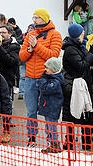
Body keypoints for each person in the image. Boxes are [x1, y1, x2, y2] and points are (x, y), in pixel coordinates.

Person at [19, 9, 62, 147]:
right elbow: (22, 57)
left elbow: (53, 56)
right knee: (31, 111)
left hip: (47, 79)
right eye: (33, 17)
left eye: (37, 17)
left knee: (49, 112)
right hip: (30, 78)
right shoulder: (30, 35)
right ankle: (31, 139)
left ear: (44, 18)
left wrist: (36, 46)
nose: (34, 20)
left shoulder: (55, 35)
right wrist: (30, 49)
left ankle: (53, 141)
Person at [62, 23, 93, 150]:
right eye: (81, 32)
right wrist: (91, 55)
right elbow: (81, 65)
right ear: (76, 35)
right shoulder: (71, 50)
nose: (84, 34)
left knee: (86, 116)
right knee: (74, 115)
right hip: (74, 87)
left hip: (84, 85)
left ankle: (86, 144)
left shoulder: (80, 46)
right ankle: (69, 145)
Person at [0, 24, 20, 144]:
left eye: (4, 32)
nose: (1, 35)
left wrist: (0, 48)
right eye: (0, 32)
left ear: (10, 34)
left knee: (6, 106)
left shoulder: (15, 47)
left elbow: (11, 61)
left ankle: (6, 131)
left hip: (7, 80)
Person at [36, 57, 65, 154]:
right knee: (48, 126)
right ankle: (51, 143)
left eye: (47, 68)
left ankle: (54, 144)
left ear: (53, 69)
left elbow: (45, 89)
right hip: (48, 107)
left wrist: (42, 79)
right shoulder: (51, 78)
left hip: (52, 108)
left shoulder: (55, 82)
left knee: (51, 126)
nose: (45, 70)